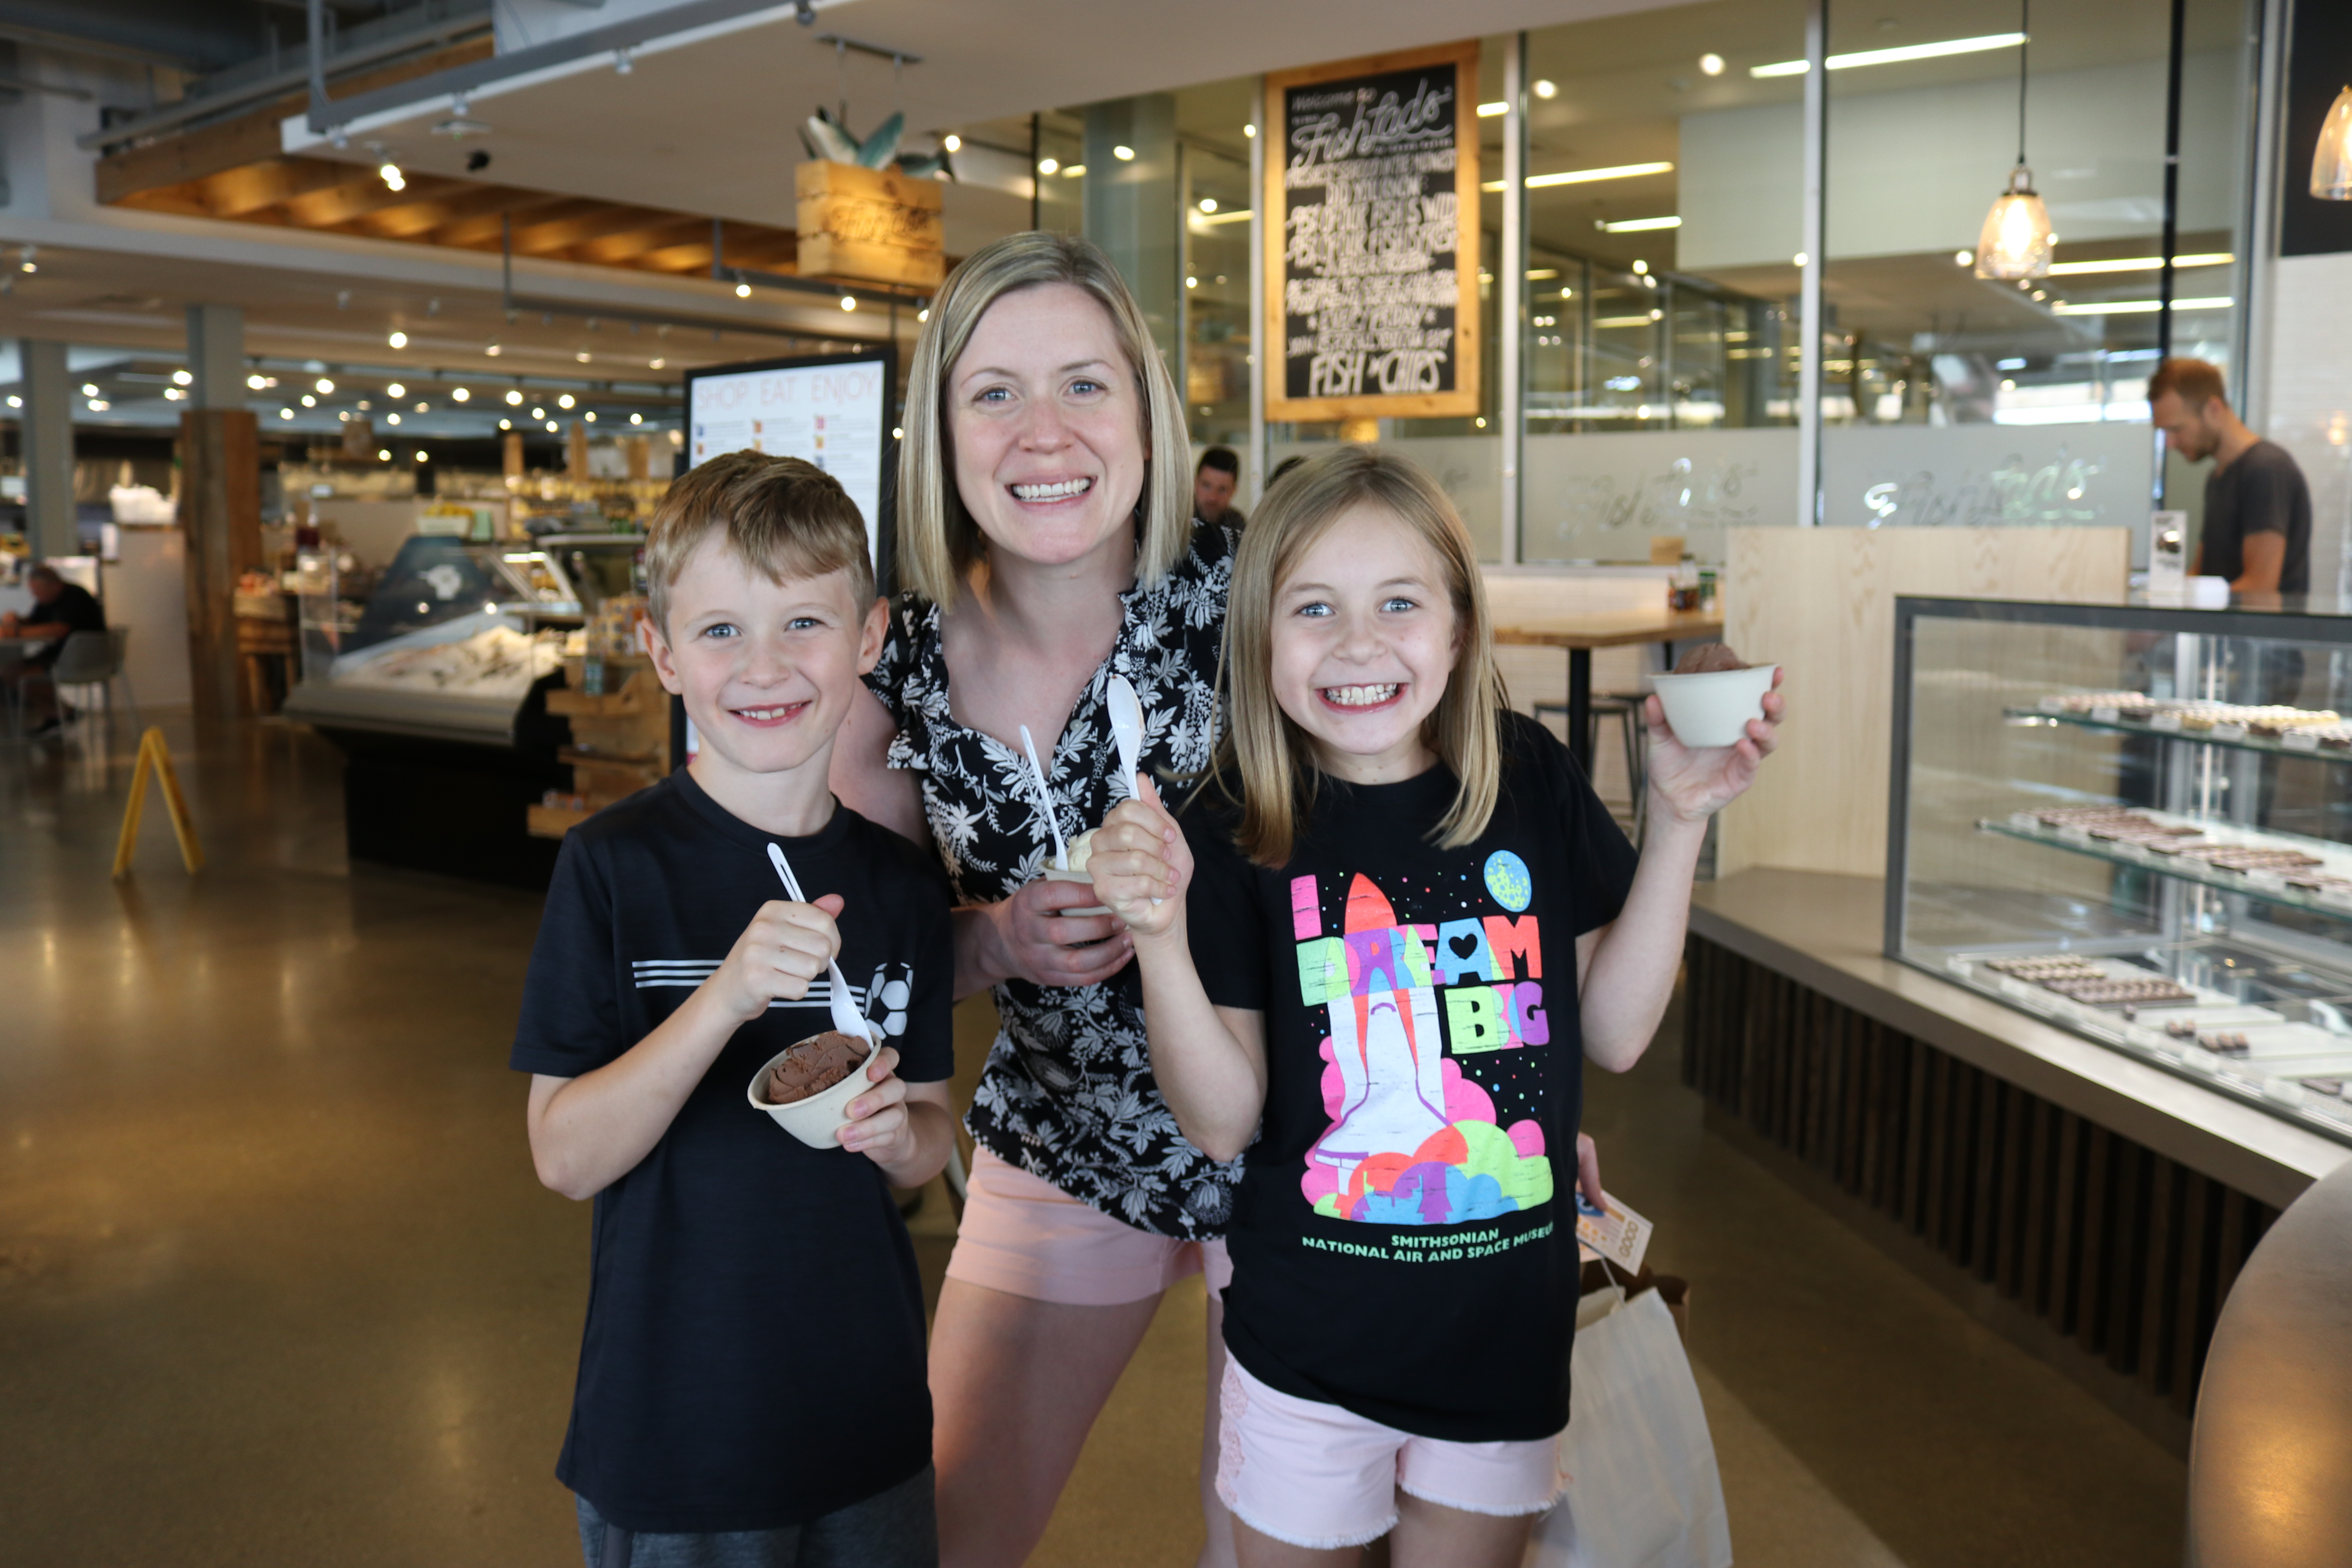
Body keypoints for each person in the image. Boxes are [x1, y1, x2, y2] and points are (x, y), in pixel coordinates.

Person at [1082, 446, 1781, 1567]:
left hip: (1503, 1349)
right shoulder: (1233, 823)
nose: (1359, 645)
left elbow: (1617, 1030)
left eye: (1399, 604)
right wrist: (1159, 938)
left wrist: (1683, 818)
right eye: (1314, 609)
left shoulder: (1530, 780)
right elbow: (1221, 1122)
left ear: (1458, 628)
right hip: (1306, 1349)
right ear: (1261, 637)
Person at [829, 231, 1245, 1568]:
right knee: (939, 1531)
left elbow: (1441, 843)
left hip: (1313, 1138)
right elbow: (857, 963)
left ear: (1144, 412)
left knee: (1287, 1540)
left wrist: (1514, 1103)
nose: (1043, 432)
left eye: (1085, 383)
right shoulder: (894, 664)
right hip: (1067, 1138)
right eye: (994, 392)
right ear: (941, 431)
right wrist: (993, 939)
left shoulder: (1255, 601)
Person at [513, 451, 958, 1568]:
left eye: (805, 624)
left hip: (868, 1413)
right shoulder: (612, 869)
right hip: (677, 1432)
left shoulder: (902, 884)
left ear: (868, 639)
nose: (765, 667)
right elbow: (565, 1159)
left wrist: (905, 1135)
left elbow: (930, 1136)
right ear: (661, 651)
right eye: (719, 632)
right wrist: (724, 1000)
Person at [2149, 357, 2312, 595]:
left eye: (2177, 429)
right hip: (2227, 632)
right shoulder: (2217, 477)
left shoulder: (2266, 469)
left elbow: (2260, 586)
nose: (2171, 443)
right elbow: (2202, 572)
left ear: (2213, 409)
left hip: (2261, 633)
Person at [1, 563, 107, 734]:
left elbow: (59, 629)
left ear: (55, 585)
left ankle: (63, 712)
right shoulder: (47, 601)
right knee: (10, 672)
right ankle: (59, 713)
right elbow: (36, 623)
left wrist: (15, 632)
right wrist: (15, 620)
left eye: (38, 590)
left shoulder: (74, 597)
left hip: (82, 659)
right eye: (33, 590)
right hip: (59, 656)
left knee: (18, 674)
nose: (34, 594)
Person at [1196, 446, 1246, 530]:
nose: (1213, 498)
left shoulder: (1237, 524)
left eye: (1222, 490)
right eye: (1206, 486)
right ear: (1195, 483)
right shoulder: (1178, 520)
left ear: (1233, 490)